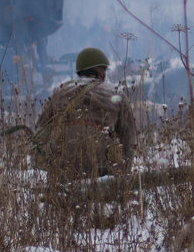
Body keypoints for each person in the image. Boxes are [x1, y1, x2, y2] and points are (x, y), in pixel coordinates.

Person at [34, 46, 137, 184]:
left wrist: (45, 164)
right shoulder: (116, 93)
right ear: (102, 74)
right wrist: (124, 174)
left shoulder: (59, 92)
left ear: (80, 72)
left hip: (63, 167)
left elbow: (41, 130)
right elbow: (129, 138)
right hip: (101, 167)